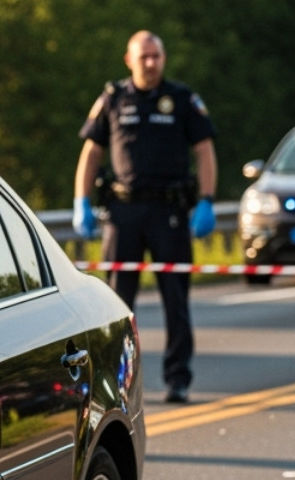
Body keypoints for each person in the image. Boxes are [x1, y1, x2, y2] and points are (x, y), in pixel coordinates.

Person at [74, 30, 216, 404]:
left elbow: (204, 149)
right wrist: (80, 200)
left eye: (156, 56)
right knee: (116, 305)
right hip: (124, 213)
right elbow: (92, 152)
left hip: (169, 212)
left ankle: (177, 379)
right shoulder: (113, 99)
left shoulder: (182, 99)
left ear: (163, 58)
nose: (151, 63)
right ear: (129, 60)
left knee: (176, 301)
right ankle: (115, 382)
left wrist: (207, 199)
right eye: (144, 57)